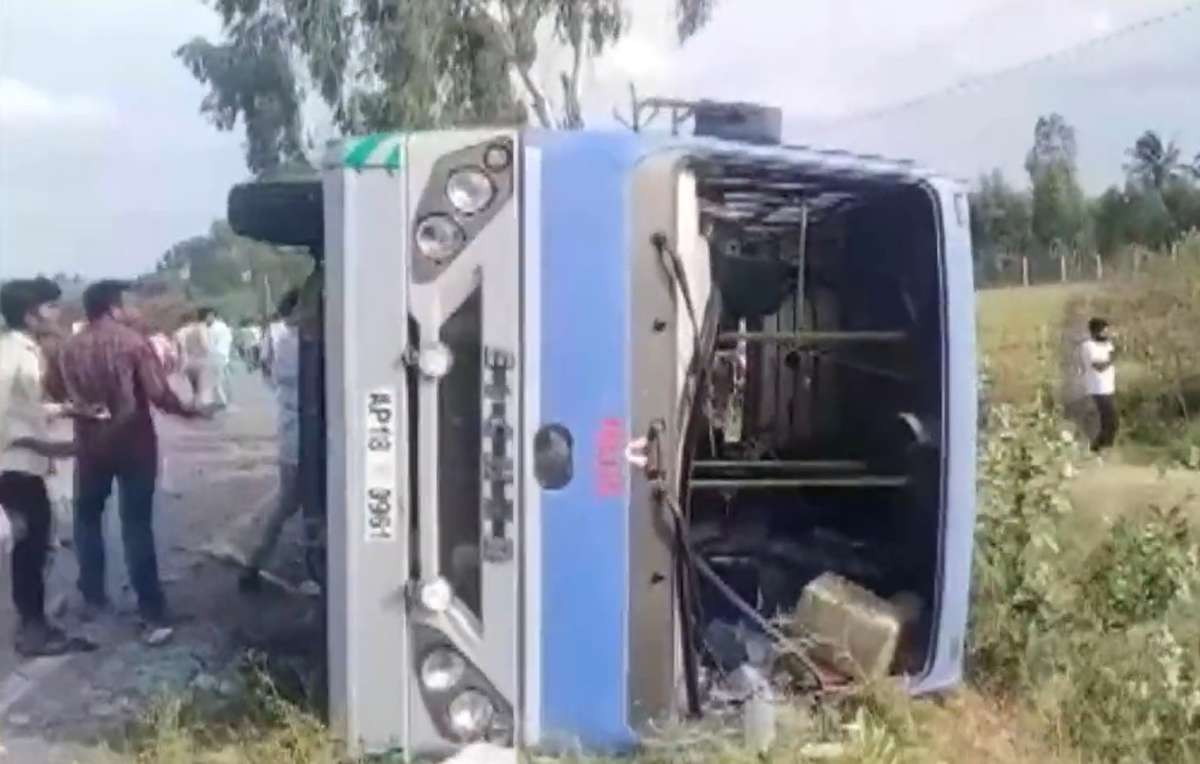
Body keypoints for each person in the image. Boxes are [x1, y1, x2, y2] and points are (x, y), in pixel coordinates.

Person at [46, 280, 208, 644]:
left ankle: (93, 597)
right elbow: (157, 393)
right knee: (135, 523)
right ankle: (150, 608)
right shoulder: (134, 343)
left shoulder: (69, 348)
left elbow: (57, 392)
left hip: (89, 446)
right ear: (113, 307)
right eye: (130, 303)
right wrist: (190, 411)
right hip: (133, 443)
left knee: (87, 519)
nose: (136, 309)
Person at [0, 278, 93, 656]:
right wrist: (42, 443)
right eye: (49, 307)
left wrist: (66, 410)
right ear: (30, 314)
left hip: (26, 465)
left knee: (36, 548)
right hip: (16, 467)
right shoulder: (15, 355)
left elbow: (24, 407)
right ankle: (33, 632)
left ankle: (35, 623)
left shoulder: (21, 350)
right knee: (30, 552)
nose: (56, 313)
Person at [239, 290, 317, 592]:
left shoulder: (277, 337)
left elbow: (267, 374)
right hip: (306, 435)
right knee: (305, 504)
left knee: (289, 503)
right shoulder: (301, 341)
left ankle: (254, 562)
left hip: (291, 432)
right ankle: (311, 570)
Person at [1081, 317, 1118, 454]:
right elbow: (1099, 366)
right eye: (1104, 331)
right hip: (1098, 388)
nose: (1107, 333)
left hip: (1108, 387)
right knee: (1111, 420)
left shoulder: (1107, 344)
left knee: (1108, 420)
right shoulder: (1088, 346)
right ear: (1095, 331)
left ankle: (1102, 447)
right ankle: (1099, 446)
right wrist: (1114, 357)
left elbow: (1112, 355)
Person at [205, 309, 234, 407]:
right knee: (222, 380)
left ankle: (222, 401)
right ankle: (225, 399)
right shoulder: (223, 326)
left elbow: (210, 345)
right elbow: (230, 339)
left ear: (212, 315)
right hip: (224, 356)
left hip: (216, 356)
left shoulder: (212, 329)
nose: (206, 319)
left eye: (207, 317)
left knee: (216, 381)